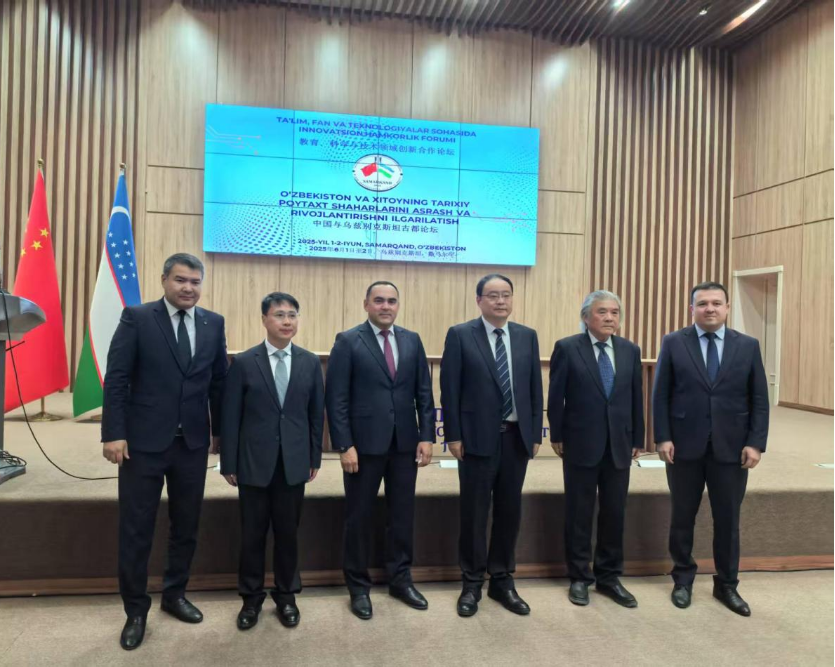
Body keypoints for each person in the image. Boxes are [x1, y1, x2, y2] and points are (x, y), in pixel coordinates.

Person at [102, 253, 227, 650]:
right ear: (164, 280)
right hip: (142, 444)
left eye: (195, 281)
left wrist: (222, 435)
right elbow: (117, 378)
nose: (188, 288)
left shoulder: (213, 323)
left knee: (186, 525)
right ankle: (135, 610)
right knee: (136, 528)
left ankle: (174, 595)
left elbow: (218, 384)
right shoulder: (138, 318)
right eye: (180, 280)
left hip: (192, 444)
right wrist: (113, 433)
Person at [653, 281, 769, 616]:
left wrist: (755, 443)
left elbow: (759, 399)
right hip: (683, 446)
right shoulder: (674, 342)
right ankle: (682, 579)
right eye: (702, 303)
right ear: (692, 309)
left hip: (732, 449)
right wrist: (663, 437)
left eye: (717, 303)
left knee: (728, 519)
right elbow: (661, 394)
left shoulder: (747, 345)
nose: (710, 309)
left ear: (727, 308)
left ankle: (727, 584)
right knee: (682, 517)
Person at [325, 281, 435, 620]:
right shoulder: (348, 341)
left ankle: (400, 580)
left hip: (404, 444)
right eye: (379, 300)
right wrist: (344, 445)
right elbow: (336, 398)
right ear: (366, 304)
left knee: (402, 516)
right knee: (359, 517)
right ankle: (358, 586)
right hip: (362, 447)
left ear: (397, 305)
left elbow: (424, 392)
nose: (385, 306)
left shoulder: (412, 340)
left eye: (391, 301)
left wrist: (427, 435)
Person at [440, 273, 543, 617]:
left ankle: (502, 579)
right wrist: (453, 435)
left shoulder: (527, 336)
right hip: (475, 439)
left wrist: (535, 433)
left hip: (516, 439)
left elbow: (534, 389)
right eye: (493, 295)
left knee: (509, 511)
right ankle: (471, 582)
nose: (501, 301)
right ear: (479, 300)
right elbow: (450, 389)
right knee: (474, 512)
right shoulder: (460, 335)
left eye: (506, 295)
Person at [220, 292, 324, 631]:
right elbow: (231, 417)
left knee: (287, 534)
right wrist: (228, 462)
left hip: (293, 463)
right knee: (252, 535)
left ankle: (286, 595)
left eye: (292, 315)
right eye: (279, 315)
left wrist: (314, 456)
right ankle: (251, 598)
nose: (287, 321)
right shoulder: (244, 362)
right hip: (253, 463)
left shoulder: (310, 362)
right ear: (264, 319)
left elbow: (315, 416)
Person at [548, 290, 644, 608]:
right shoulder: (567, 348)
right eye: (602, 312)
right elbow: (556, 396)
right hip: (580, 442)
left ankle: (609, 576)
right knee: (579, 512)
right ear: (586, 317)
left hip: (619, 444)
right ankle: (579, 577)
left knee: (614, 512)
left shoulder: (630, 350)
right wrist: (557, 434)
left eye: (615, 312)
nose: (609, 318)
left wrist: (637, 438)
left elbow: (635, 398)